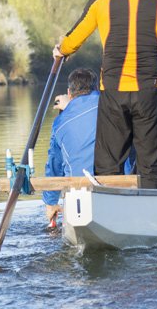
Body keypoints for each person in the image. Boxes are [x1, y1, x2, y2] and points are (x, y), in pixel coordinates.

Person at [53, 0, 157, 188]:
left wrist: (60, 51)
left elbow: (74, 39)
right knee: (151, 164)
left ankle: (109, 206)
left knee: (109, 161)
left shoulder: (102, 1)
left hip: (113, 93)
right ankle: (151, 210)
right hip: (150, 93)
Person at [43, 68, 100, 227]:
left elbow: (54, 165)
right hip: (114, 187)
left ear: (69, 92)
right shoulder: (110, 105)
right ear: (96, 88)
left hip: (77, 193)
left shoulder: (59, 123)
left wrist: (50, 202)